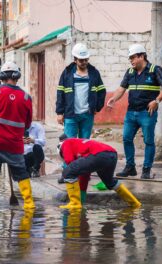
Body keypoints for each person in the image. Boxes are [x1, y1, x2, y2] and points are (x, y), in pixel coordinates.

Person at [106, 44, 162, 179]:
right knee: (126, 138)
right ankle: (130, 167)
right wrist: (114, 99)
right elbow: (121, 89)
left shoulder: (155, 70)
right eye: (130, 58)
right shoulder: (130, 72)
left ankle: (146, 169)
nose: (131, 61)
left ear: (142, 56)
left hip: (146, 113)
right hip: (131, 113)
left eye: (133, 58)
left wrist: (156, 101)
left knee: (148, 141)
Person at [0, 61, 35, 210]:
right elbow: (27, 124)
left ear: (1, 76)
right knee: (21, 172)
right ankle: (29, 204)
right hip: (14, 144)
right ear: (17, 76)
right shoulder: (26, 98)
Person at [55, 43, 106, 194]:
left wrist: (97, 107)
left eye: (86, 59)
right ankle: (67, 173)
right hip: (70, 114)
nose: (84, 62)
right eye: (81, 60)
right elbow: (60, 93)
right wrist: (59, 112)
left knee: (85, 146)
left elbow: (101, 91)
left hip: (87, 114)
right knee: (68, 146)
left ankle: (84, 174)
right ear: (75, 59)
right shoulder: (67, 73)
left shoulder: (94, 73)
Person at [57, 134, 141, 209]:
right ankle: (134, 203)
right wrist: (81, 200)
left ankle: (74, 204)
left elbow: (69, 161)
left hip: (98, 155)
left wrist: (68, 172)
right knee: (109, 182)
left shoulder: (65, 143)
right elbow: (84, 176)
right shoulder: (79, 146)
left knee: (68, 172)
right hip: (112, 154)